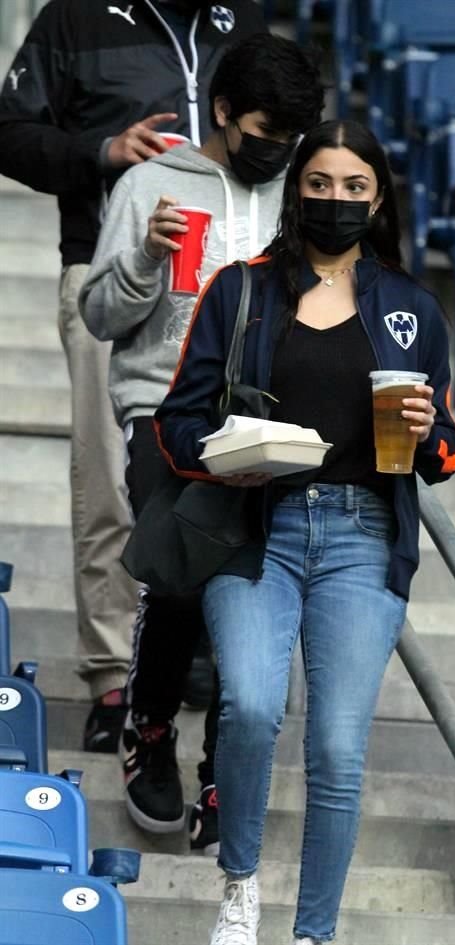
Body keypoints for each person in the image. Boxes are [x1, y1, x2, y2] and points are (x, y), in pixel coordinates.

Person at [155, 119, 455, 945]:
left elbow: (440, 457)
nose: (336, 200)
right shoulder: (241, 289)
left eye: (354, 187)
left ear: (378, 197)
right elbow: (175, 421)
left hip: (364, 534)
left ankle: (313, 933)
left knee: (336, 746)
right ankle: (241, 886)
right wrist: (225, 459)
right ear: (297, 190)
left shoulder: (411, 308)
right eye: (319, 183)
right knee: (251, 705)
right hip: (258, 526)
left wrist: (431, 430)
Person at [0, 0, 267, 752]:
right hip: (109, 268)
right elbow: (8, 131)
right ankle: (112, 671)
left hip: (231, 278)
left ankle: (200, 646)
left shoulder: (241, 18)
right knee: (112, 476)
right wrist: (101, 151)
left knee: (230, 464)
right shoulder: (76, 17)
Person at [79, 32, 324, 847]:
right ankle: (148, 724)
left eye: (289, 141)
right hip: (163, 407)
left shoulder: (301, 193)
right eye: (263, 134)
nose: (276, 153)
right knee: (180, 571)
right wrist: (147, 257)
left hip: (272, 417)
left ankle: (226, 767)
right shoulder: (151, 183)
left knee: (252, 590)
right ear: (222, 111)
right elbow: (103, 318)